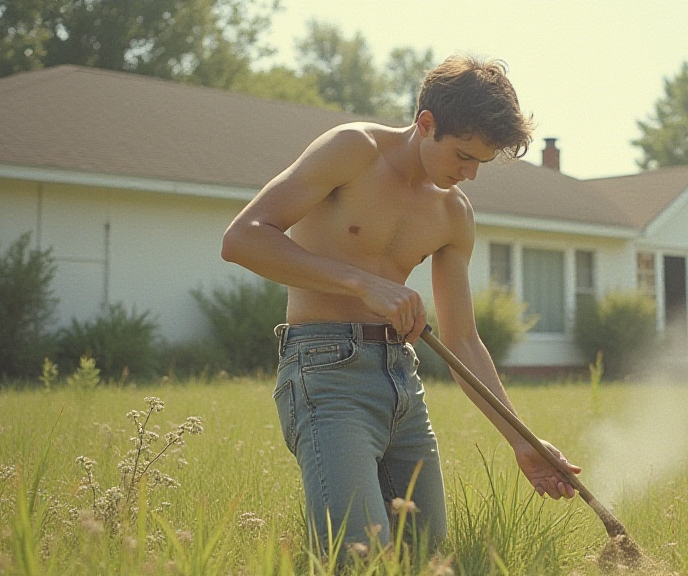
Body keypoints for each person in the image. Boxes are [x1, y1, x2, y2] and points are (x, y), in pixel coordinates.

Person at [221, 54, 581, 553]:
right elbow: (242, 239)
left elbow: (463, 340)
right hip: (326, 371)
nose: (470, 174)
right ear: (426, 124)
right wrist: (360, 282)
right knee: (358, 553)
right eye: (463, 155)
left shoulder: (454, 213)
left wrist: (522, 441)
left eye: (481, 161)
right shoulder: (353, 150)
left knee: (426, 556)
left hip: (402, 382)